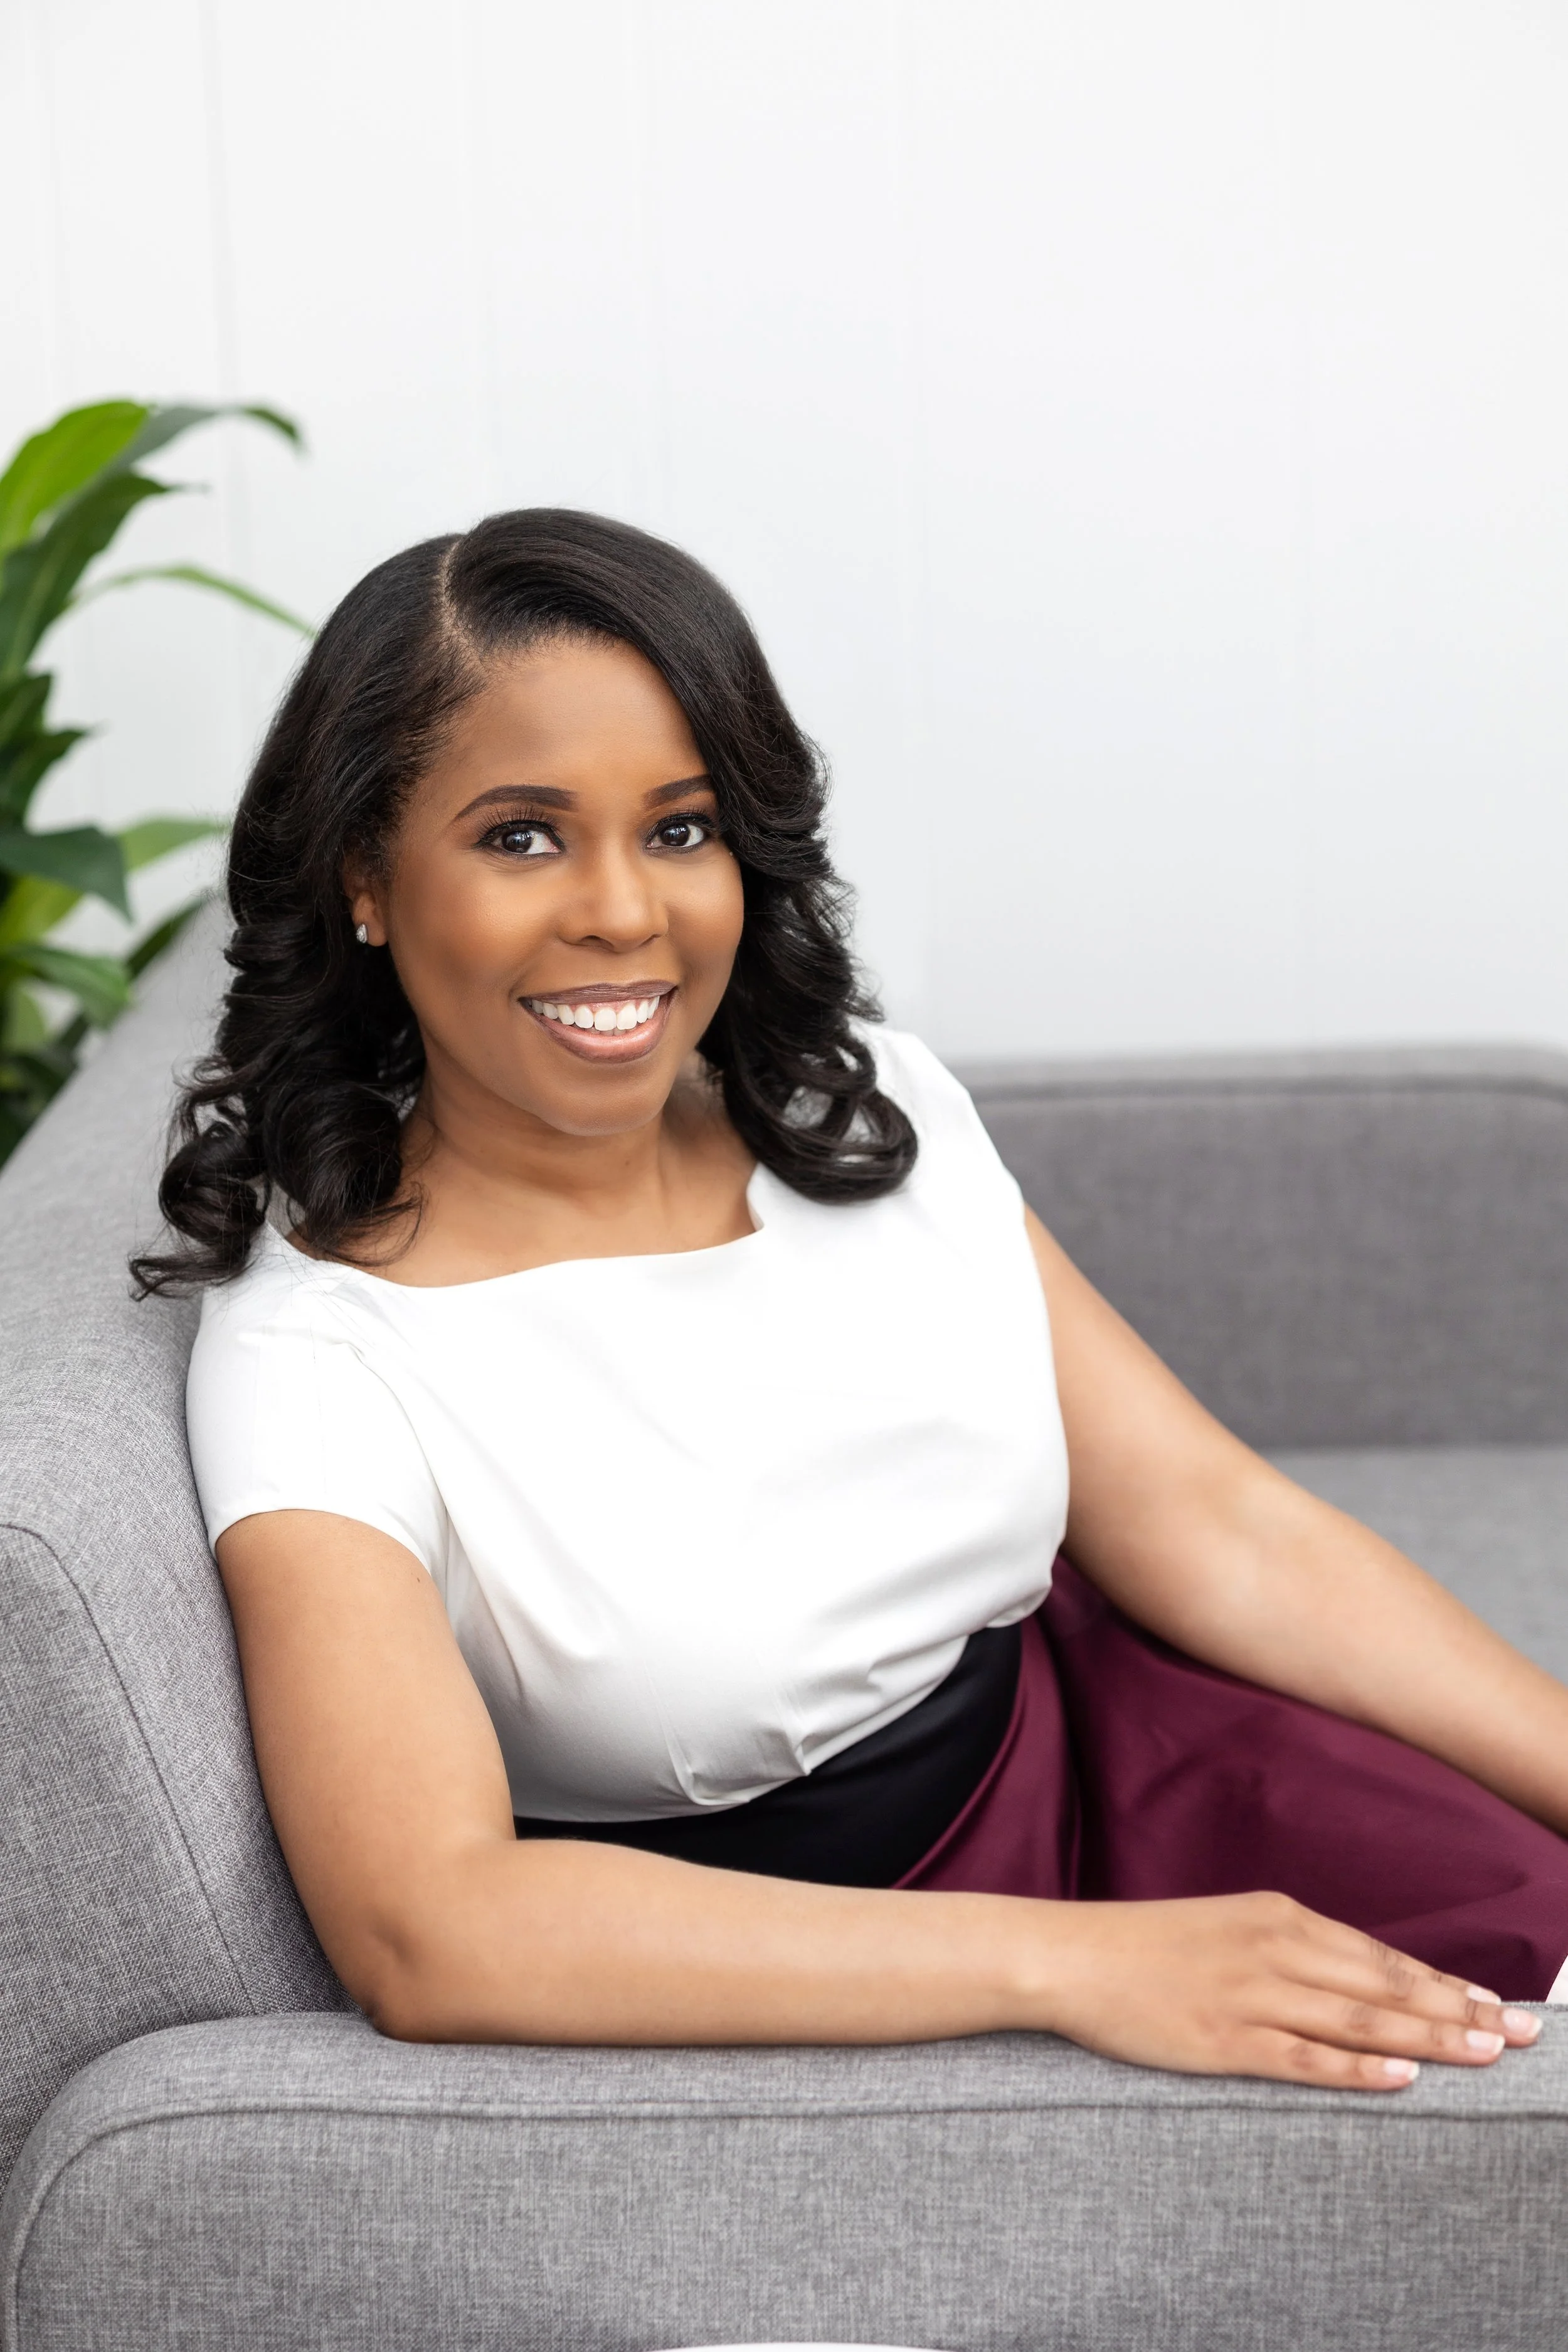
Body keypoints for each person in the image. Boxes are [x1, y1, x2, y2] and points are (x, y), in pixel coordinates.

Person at [140, 509, 1568, 2090]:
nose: (624, 910)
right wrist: (1079, 1967)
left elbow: (1211, 1522)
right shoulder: (318, 1356)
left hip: (1118, 1755)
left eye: (678, 829)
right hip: (806, 1977)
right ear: (365, 878)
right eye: (522, 836)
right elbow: (432, 1925)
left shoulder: (853, 1108)